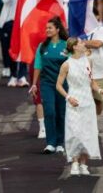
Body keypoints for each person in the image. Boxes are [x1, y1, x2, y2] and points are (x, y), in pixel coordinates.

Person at [56, 37, 103, 175]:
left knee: (88, 133)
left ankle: (84, 164)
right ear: (74, 47)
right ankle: (75, 163)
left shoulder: (89, 61)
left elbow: (92, 82)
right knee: (74, 133)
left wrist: (101, 90)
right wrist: (68, 97)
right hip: (74, 102)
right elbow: (58, 85)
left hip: (88, 102)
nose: (84, 44)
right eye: (81, 43)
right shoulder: (66, 65)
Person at [29, 17, 69, 154]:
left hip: (63, 85)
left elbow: (73, 65)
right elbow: (37, 66)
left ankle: (59, 142)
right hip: (46, 83)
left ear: (58, 29)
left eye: (50, 28)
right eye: (46, 28)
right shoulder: (42, 46)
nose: (47, 30)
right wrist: (34, 84)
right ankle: (50, 143)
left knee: (61, 113)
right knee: (50, 111)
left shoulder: (66, 45)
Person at [0, 0, 29, 87]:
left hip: (21, 24)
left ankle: (22, 76)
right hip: (8, 24)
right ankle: (13, 75)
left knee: (22, 49)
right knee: (10, 50)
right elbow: (5, 0)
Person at [84, 26, 103, 115]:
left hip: (99, 72)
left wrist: (78, 42)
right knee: (84, 99)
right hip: (81, 70)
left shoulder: (102, 30)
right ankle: (88, 122)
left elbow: (97, 44)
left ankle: (94, 120)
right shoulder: (76, 28)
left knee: (98, 100)